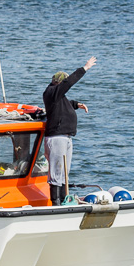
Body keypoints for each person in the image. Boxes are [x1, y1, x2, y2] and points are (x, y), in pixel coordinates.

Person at [43, 56, 97, 205]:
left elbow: (63, 103)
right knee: (56, 172)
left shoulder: (57, 95)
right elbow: (68, 83)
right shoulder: (51, 92)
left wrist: (76, 104)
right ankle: (56, 203)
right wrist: (84, 68)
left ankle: (63, 201)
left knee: (63, 173)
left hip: (66, 137)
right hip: (57, 137)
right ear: (58, 83)